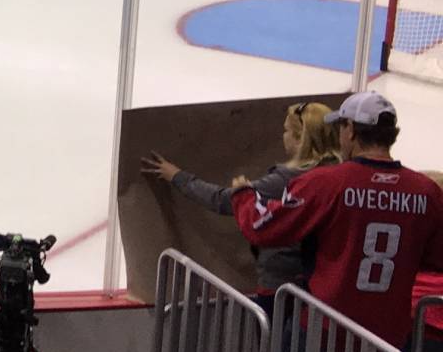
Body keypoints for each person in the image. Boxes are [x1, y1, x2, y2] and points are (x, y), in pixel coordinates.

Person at [235, 90, 443, 344]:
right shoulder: (426, 192)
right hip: (387, 338)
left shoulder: (326, 183)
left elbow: (262, 227)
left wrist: (243, 196)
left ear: (351, 130)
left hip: (323, 330)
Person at [142, 102, 338, 305]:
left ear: (300, 140)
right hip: (320, 286)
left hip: (280, 288)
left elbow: (223, 200)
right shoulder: (337, 174)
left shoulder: (286, 180)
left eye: (286, 130)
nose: (283, 135)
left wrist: (177, 176)